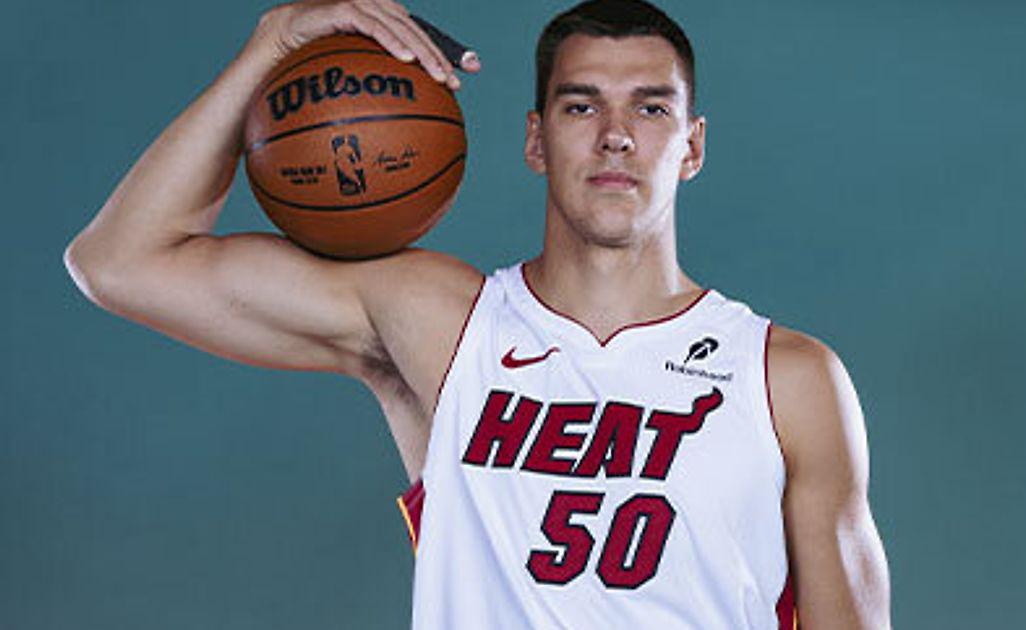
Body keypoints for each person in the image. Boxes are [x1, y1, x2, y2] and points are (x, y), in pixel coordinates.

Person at [64, 0, 892, 627]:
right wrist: (272, 45)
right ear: (535, 140)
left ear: (693, 145)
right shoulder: (441, 324)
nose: (615, 136)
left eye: (650, 108)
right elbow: (120, 262)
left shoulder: (786, 379)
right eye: (580, 106)